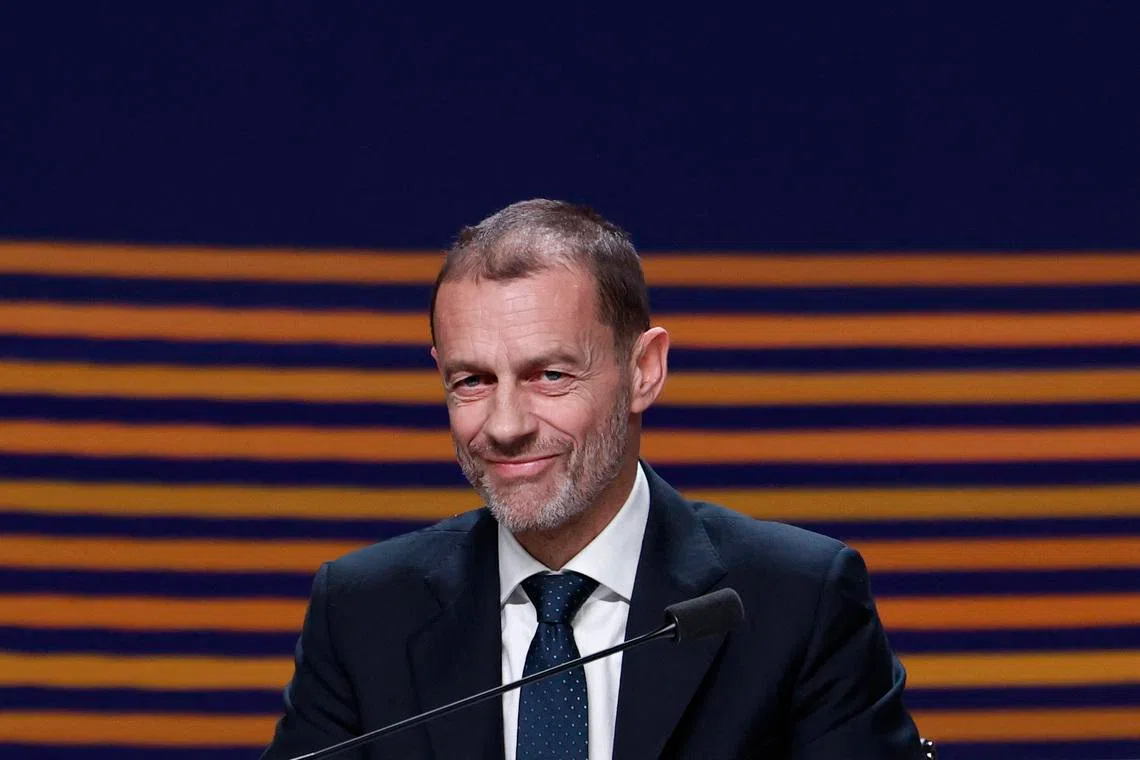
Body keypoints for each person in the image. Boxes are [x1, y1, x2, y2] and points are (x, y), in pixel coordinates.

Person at [261, 200, 922, 759]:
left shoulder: (796, 601)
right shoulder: (363, 611)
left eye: (550, 375)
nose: (506, 424)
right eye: (472, 380)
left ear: (644, 371)